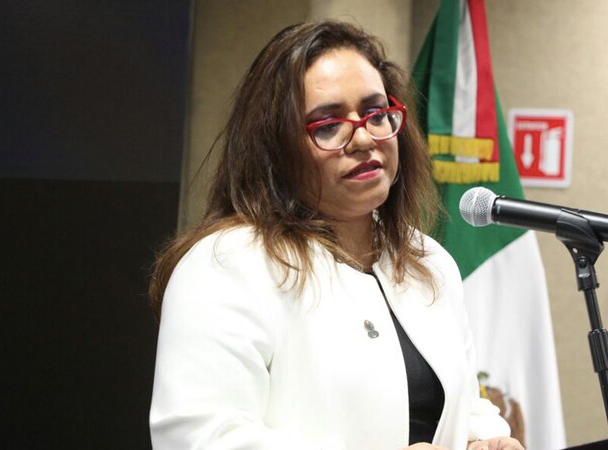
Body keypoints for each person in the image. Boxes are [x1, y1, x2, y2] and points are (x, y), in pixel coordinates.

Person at [148, 20, 524, 450]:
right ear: (276, 148)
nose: (364, 137)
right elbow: (199, 440)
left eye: (376, 113)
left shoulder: (429, 260)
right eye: (327, 126)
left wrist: (487, 438)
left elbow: (459, 403)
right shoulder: (225, 264)